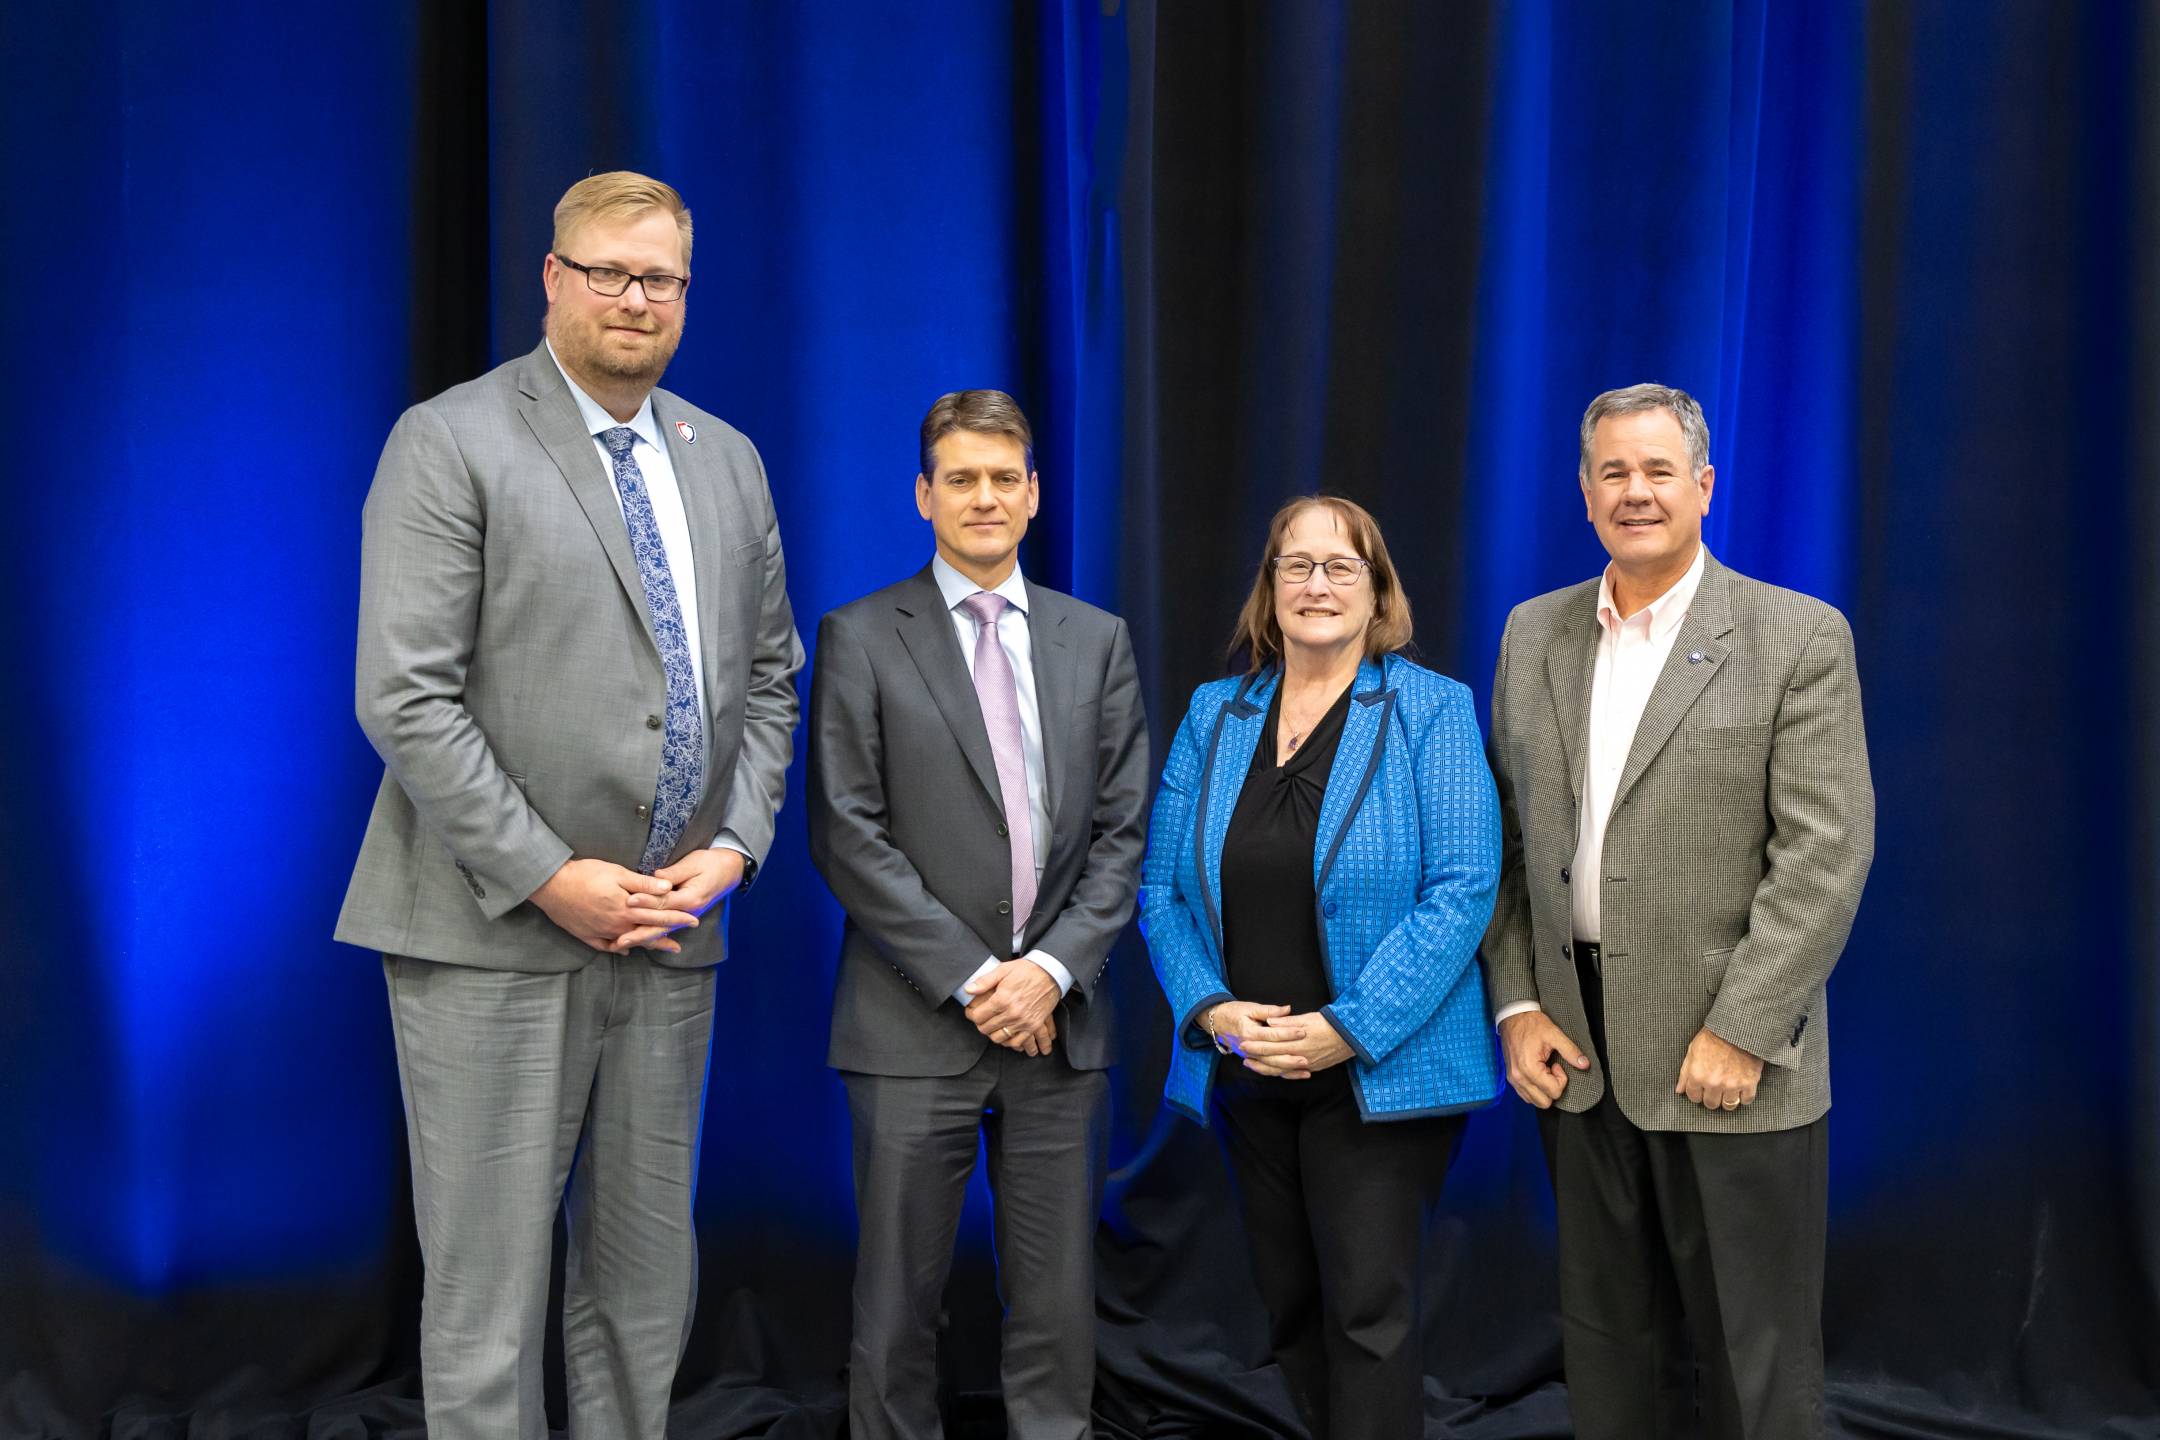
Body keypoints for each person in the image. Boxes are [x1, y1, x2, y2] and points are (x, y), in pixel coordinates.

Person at [335, 171, 803, 1440]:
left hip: (671, 932)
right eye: (608, 272)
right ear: (553, 279)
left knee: (646, 1290)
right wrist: (553, 875)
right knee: (487, 1304)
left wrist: (739, 848)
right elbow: (405, 697)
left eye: (661, 278)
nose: (636, 298)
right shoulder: (453, 439)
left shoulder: (730, 460)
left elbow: (771, 678)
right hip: (494, 933)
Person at [1481, 383, 1875, 1438]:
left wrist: (1743, 1030)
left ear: (1704, 486)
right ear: (1584, 491)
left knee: (1756, 1359)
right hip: (1577, 1050)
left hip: (1727, 1057)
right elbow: (1509, 848)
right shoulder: (1533, 635)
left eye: (1659, 471)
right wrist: (1518, 1006)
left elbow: (1826, 857)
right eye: (1614, 472)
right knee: (1611, 1355)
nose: (1636, 491)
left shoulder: (1796, 637)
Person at [807, 390, 1149, 1440]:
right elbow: (845, 831)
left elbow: (1125, 834)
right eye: (962, 478)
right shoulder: (862, 636)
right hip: (911, 1023)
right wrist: (975, 978)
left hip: (1060, 1028)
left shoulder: (1096, 641)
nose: (985, 497)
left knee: (1054, 1310)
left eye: (1006, 478)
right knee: (899, 1302)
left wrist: (1046, 973)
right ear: (924, 495)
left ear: (1036, 494)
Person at [1139, 495, 1502, 1440]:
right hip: (1250, 1068)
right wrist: (1212, 1010)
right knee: (1292, 1310)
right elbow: (1162, 894)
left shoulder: (1431, 708)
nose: (1317, 585)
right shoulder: (1216, 713)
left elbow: (1464, 890)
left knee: (1367, 1313)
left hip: (1376, 1073)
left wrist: (1345, 1029)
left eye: (1343, 567)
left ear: (1378, 590)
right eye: (1295, 566)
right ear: (1269, 589)